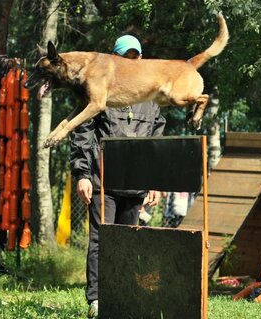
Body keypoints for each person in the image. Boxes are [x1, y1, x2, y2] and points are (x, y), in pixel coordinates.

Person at [70, 34, 166, 319]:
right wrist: (82, 174)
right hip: (103, 184)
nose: (132, 62)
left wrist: (155, 183)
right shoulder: (98, 91)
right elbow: (82, 135)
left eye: (136, 57)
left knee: (130, 243)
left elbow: (155, 144)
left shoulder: (152, 97)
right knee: (101, 240)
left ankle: (125, 296)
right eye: (126, 57)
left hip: (135, 187)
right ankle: (97, 300)